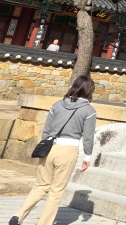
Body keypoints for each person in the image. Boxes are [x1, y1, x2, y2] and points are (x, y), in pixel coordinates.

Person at [10, 76, 97, 225]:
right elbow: (88, 137)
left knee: (41, 186)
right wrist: (87, 157)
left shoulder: (57, 105)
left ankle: (19, 215)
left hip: (49, 148)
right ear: (89, 91)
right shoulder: (89, 110)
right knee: (56, 191)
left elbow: (46, 130)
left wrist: (45, 146)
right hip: (67, 151)